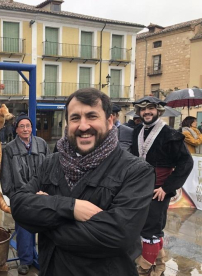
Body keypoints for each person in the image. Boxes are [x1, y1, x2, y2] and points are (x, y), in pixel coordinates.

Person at [10, 88, 155, 276]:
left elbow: (118, 236)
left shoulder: (136, 171)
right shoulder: (51, 163)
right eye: (75, 118)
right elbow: (19, 205)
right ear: (67, 123)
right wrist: (70, 207)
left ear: (110, 121)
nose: (83, 126)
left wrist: (44, 217)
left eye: (92, 116)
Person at [131, 96, 193, 276]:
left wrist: (166, 187)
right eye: (143, 109)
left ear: (158, 111)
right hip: (139, 189)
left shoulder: (170, 134)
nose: (146, 112)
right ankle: (158, 263)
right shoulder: (137, 131)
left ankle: (144, 269)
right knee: (145, 227)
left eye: (150, 108)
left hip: (158, 190)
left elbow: (186, 163)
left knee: (151, 229)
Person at [0, 113, 50, 275]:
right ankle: (25, 260)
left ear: (32, 128)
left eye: (28, 126)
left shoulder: (41, 144)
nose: (25, 129)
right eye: (21, 126)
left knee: (45, 228)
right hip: (21, 196)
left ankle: (44, 259)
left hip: (41, 194)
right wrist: (12, 195)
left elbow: (49, 168)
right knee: (23, 229)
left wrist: (47, 190)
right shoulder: (9, 149)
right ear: (16, 129)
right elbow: (6, 175)